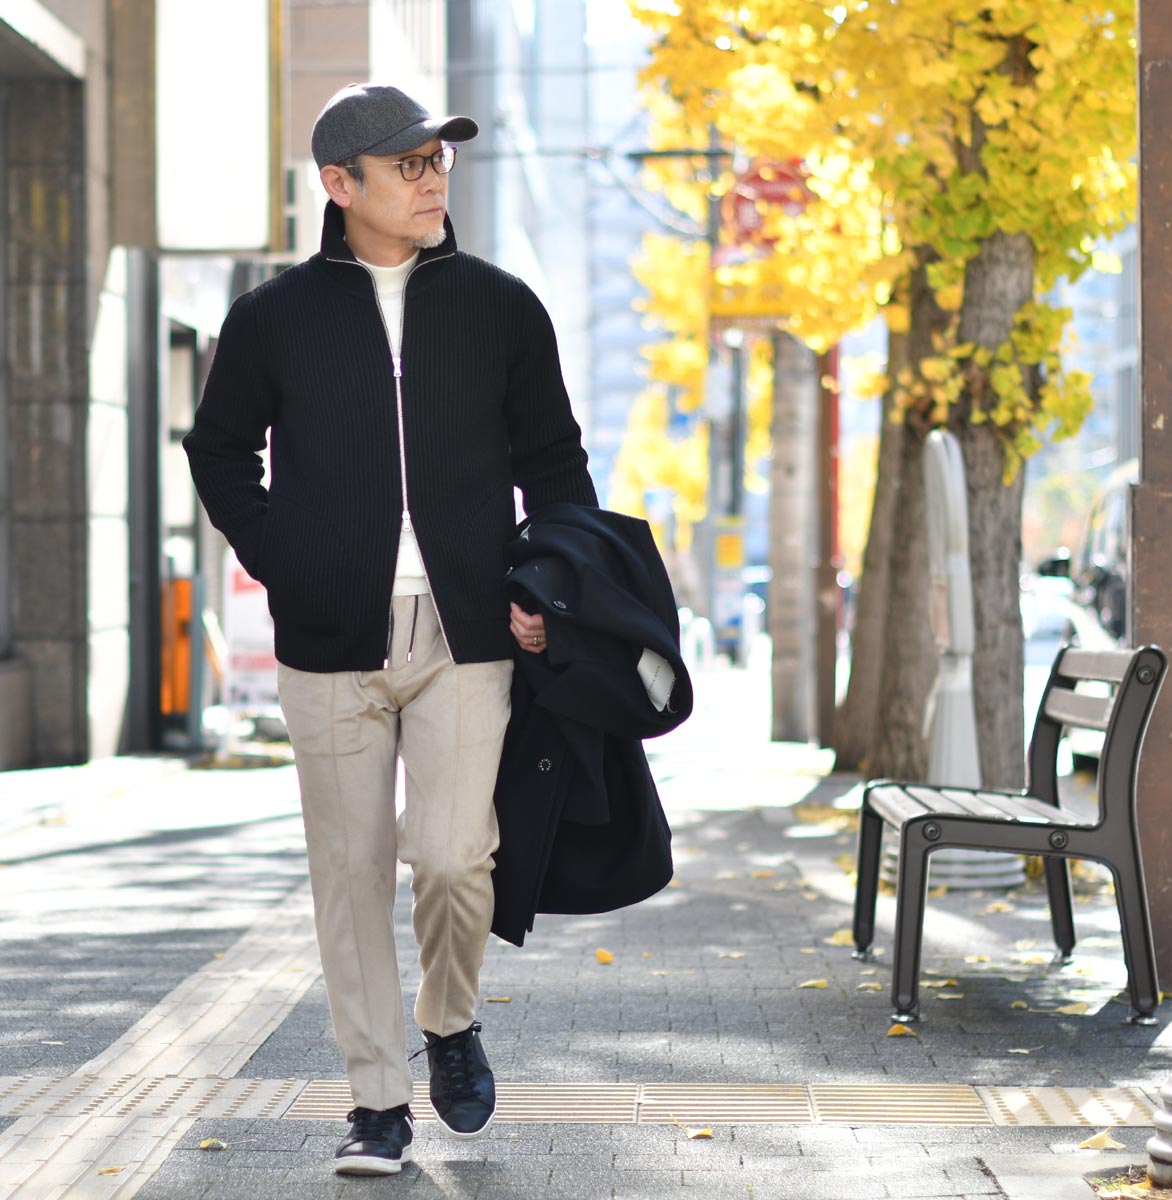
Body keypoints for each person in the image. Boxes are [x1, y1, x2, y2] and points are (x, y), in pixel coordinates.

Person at [183, 82, 597, 1176]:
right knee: (350, 871)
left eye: (437, 160)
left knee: (455, 858)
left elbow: (556, 464)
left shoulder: (502, 308)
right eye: (408, 163)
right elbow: (219, 450)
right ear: (340, 183)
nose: (430, 179)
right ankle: (376, 1100)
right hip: (329, 640)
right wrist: (283, 557)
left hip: (467, 633)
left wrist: (545, 583)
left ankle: (448, 1020)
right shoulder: (273, 317)